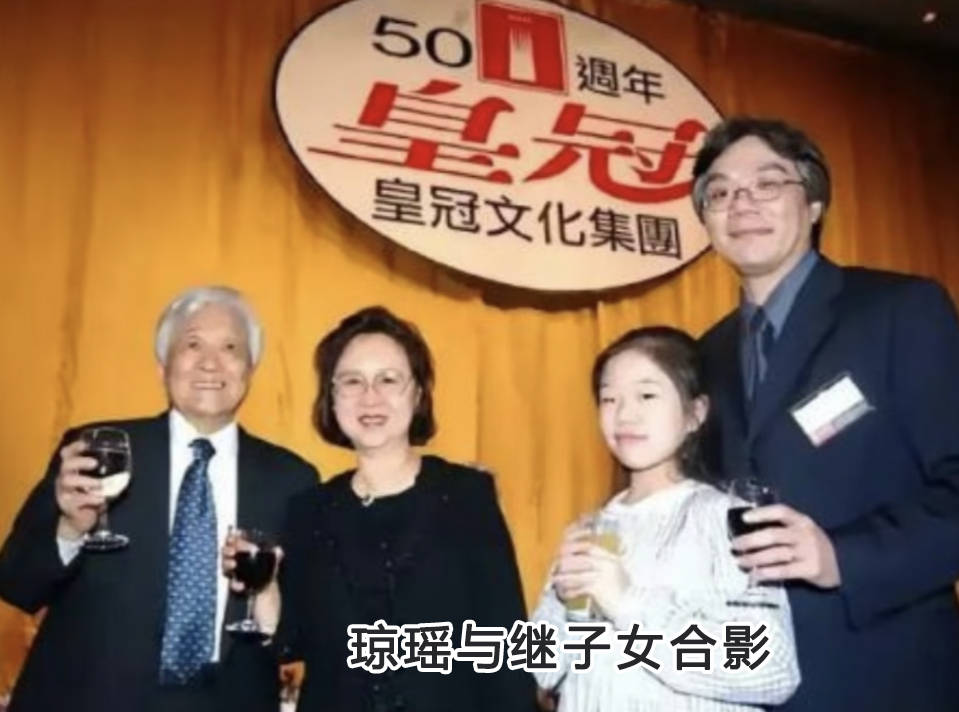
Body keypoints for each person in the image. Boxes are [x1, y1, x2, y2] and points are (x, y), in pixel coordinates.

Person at [695, 116, 959, 710]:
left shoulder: (900, 310)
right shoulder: (703, 356)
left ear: (814, 202)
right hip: (745, 682)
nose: (742, 204)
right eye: (720, 193)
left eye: (767, 184)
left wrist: (844, 556)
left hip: (888, 678)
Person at [0, 286, 317, 712]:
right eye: (192, 344)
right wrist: (69, 529)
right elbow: (16, 584)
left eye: (230, 348)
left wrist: (270, 600)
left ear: (250, 369)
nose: (210, 362)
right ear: (162, 366)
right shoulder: (99, 451)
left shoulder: (292, 479)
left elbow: (303, 631)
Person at [231, 305, 536, 712]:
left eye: (388, 379)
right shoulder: (309, 510)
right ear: (332, 398)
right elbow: (292, 643)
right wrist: (265, 590)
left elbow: (508, 649)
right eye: (352, 381)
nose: (370, 397)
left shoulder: (468, 496)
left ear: (418, 393)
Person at [531, 326, 799, 711]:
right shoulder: (590, 528)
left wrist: (627, 603)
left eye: (646, 395)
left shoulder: (730, 519)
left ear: (695, 413)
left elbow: (772, 667)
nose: (625, 414)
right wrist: (560, 600)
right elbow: (541, 670)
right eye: (609, 398)